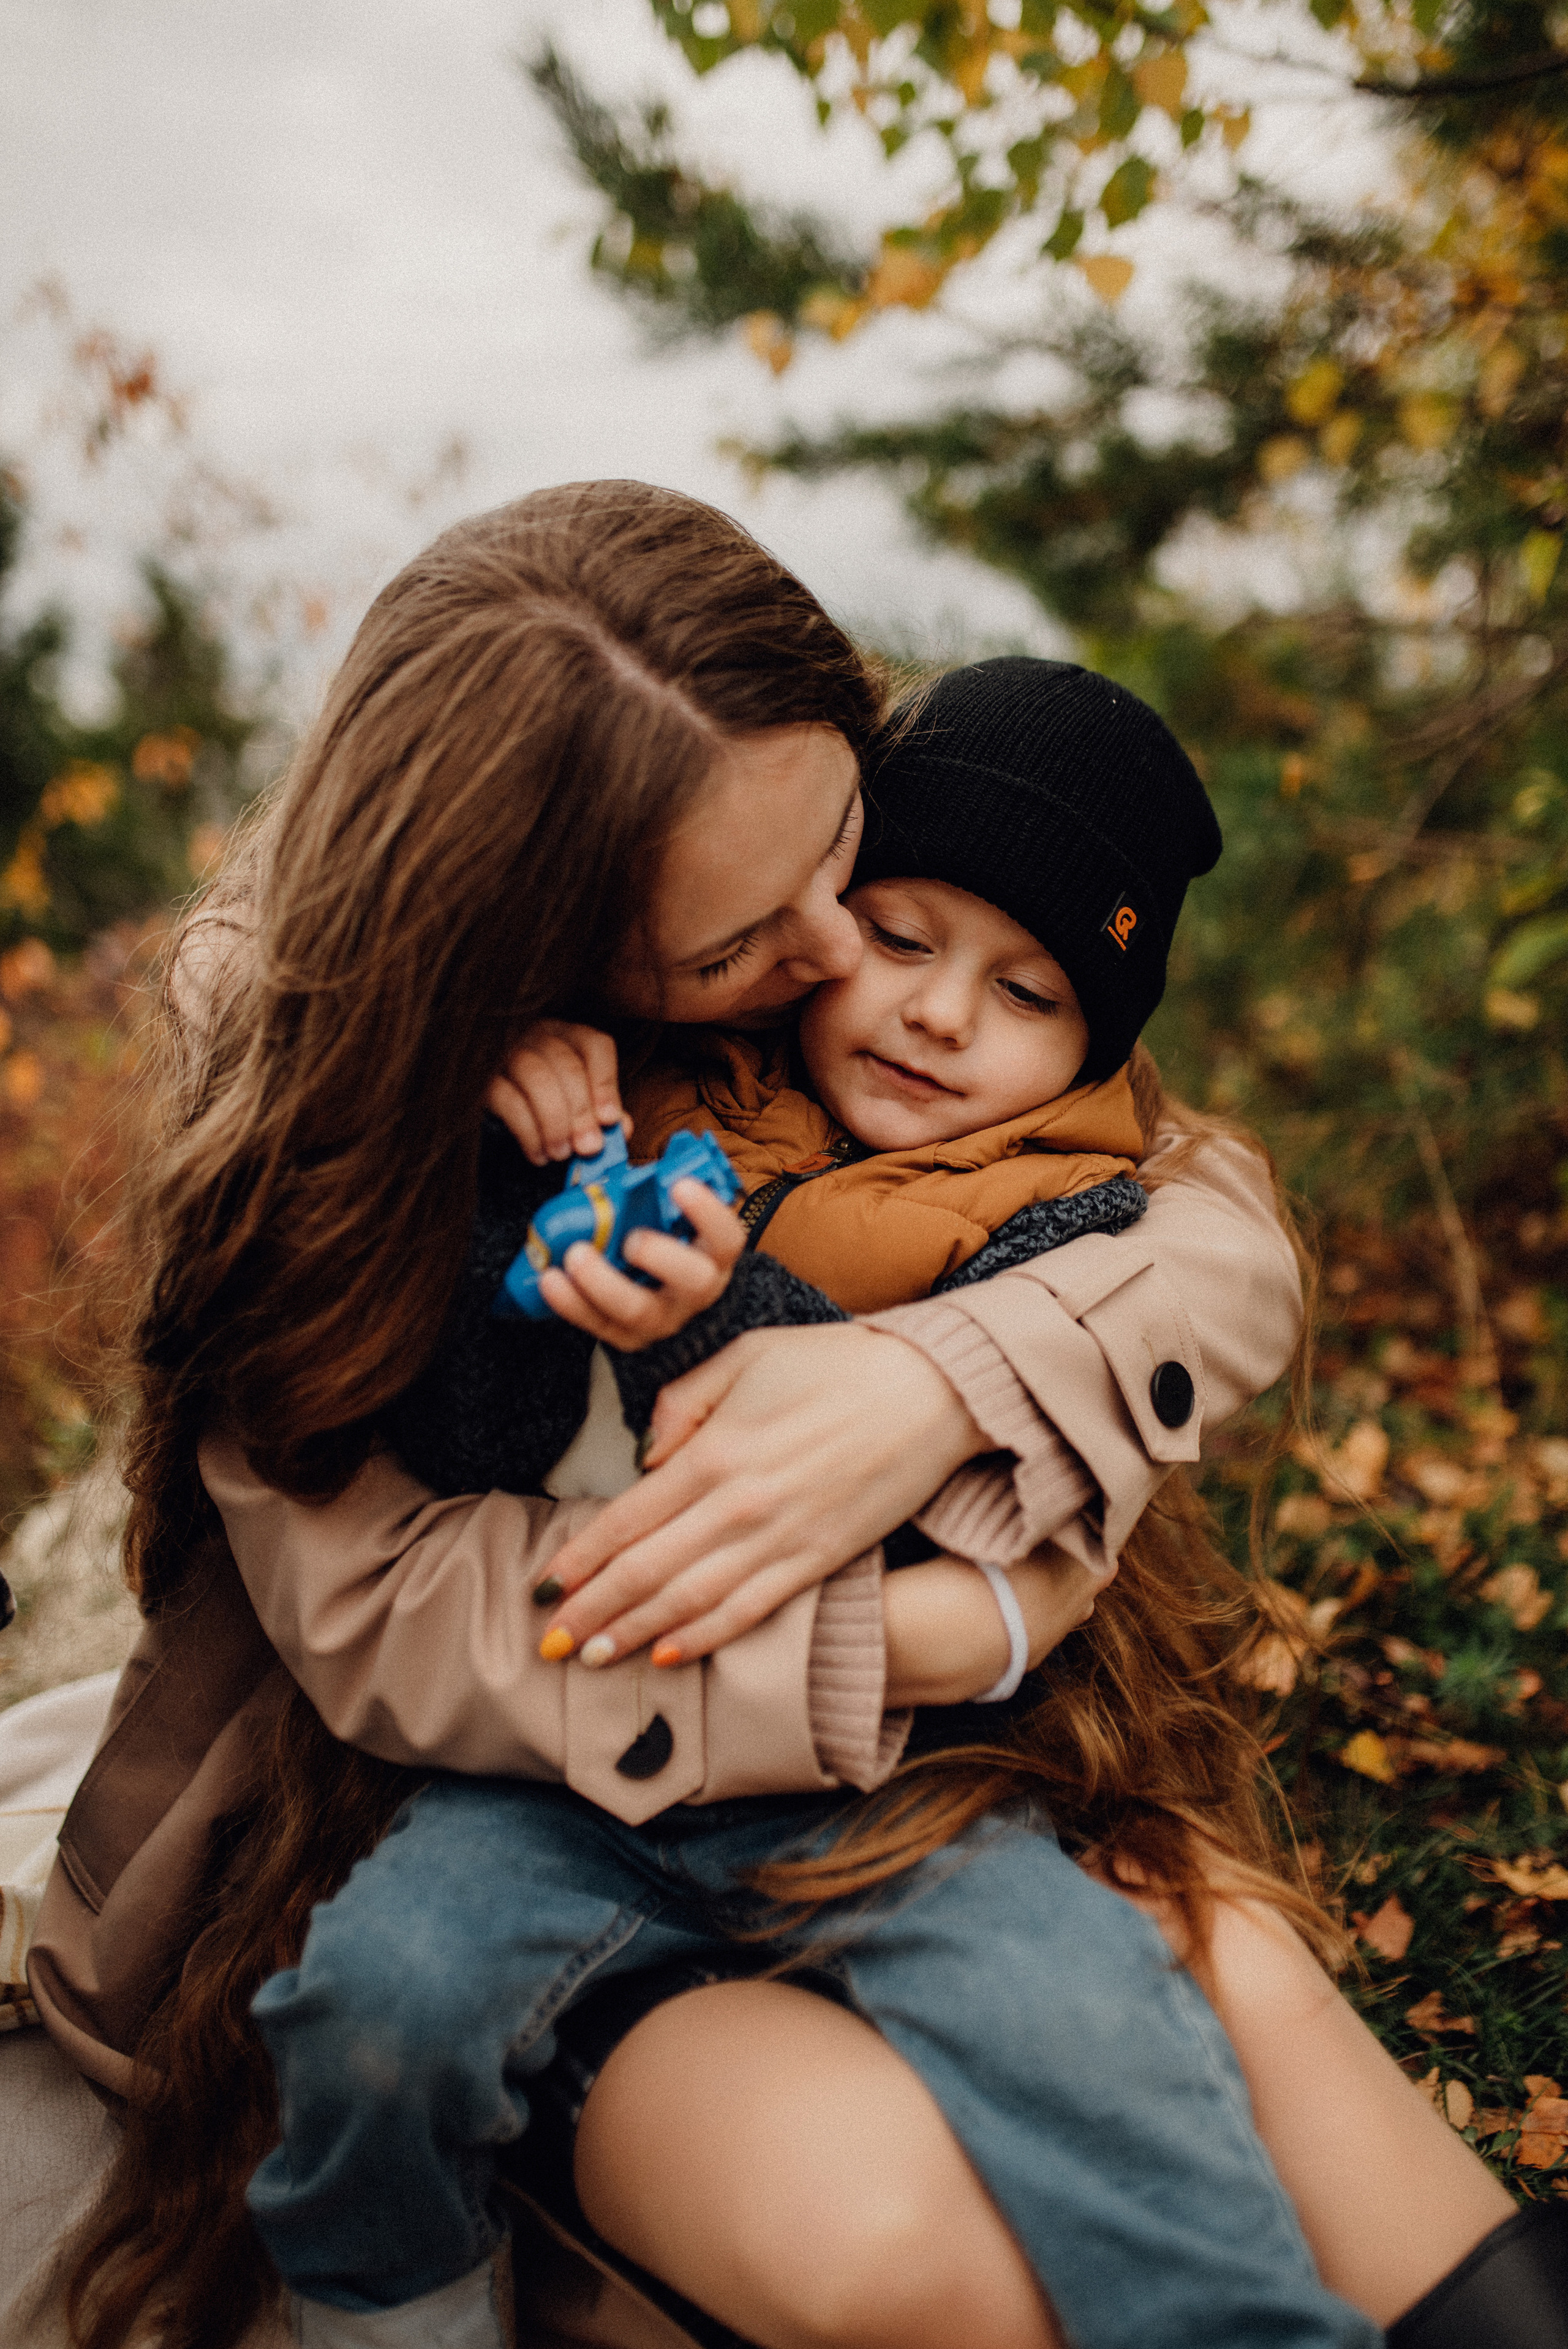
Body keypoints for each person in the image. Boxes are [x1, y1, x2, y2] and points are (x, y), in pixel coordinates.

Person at [14, 485, 1501, 2349]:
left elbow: (1204, 1211)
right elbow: (402, 1608)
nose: (844, 962)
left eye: (845, 862)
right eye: (762, 940)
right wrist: (931, 1623)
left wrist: (920, 1382)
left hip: (915, 1779)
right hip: (486, 1789)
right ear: (552, 943)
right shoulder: (375, 1110)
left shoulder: (845, 913)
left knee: (1245, 1992)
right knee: (907, 2236)